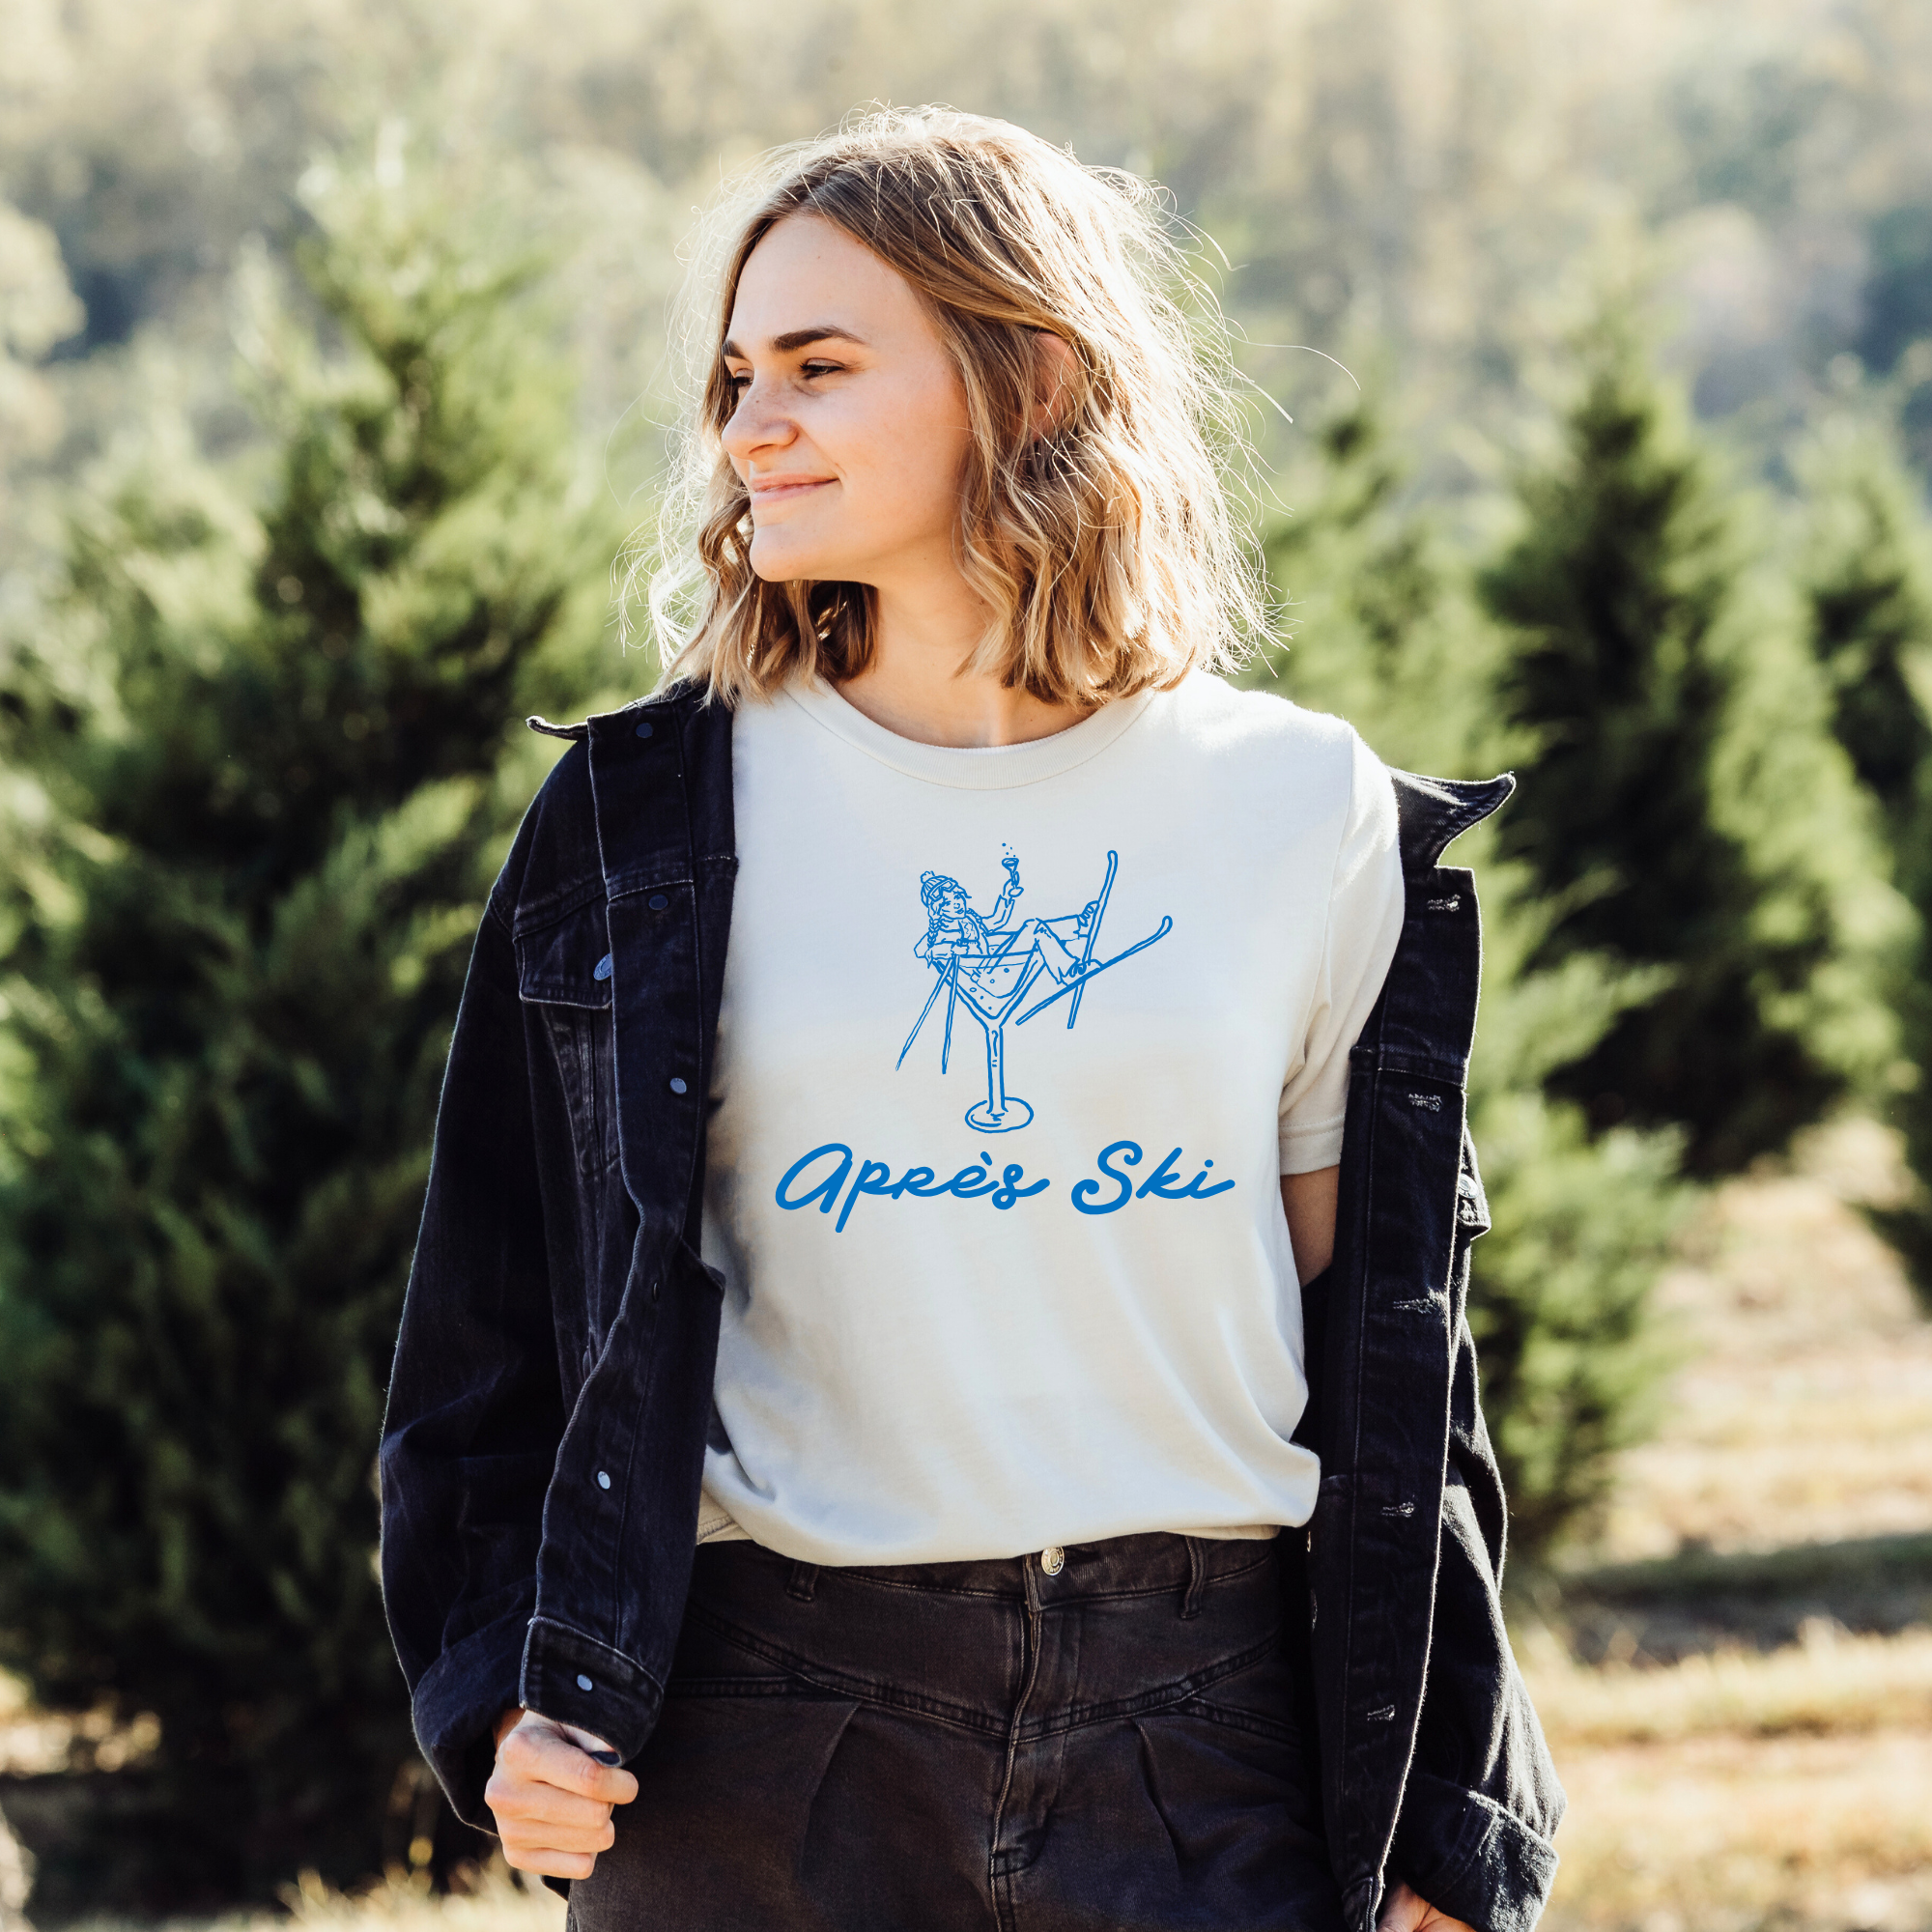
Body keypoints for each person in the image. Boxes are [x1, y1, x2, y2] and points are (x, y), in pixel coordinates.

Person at [379, 109, 1563, 1932]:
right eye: (733, 373)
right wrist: (496, 1695)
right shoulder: (642, 823)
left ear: (1030, 375)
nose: (746, 424)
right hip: (761, 1739)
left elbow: (1398, 1362)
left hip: (1209, 1738)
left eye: (820, 367)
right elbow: (486, 1325)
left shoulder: (1303, 809)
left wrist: (1447, 1815)